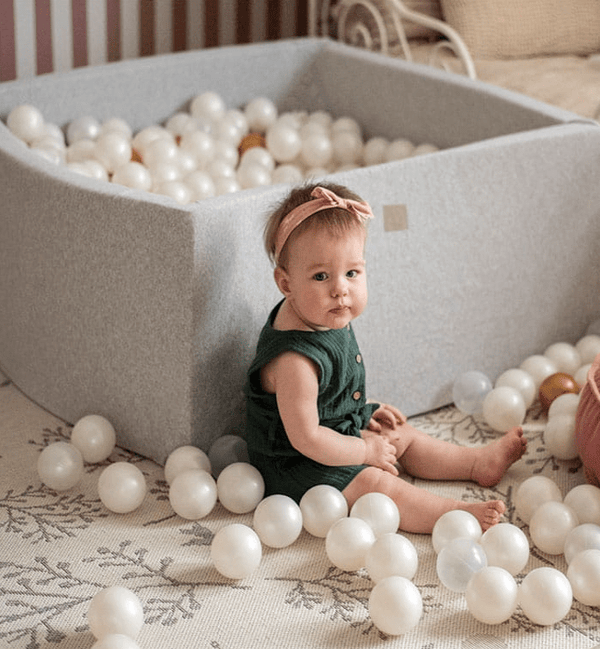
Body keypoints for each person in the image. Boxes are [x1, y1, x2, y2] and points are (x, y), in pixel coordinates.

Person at [244, 181, 527, 534]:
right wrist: (364, 453)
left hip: (336, 430)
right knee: (376, 485)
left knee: (399, 434)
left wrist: (365, 411)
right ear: (286, 284)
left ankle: (476, 463)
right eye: (321, 276)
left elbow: (331, 395)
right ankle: (454, 515)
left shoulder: (324, 311)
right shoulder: (294, 362)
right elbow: (308, 439)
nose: (340, 289)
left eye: (352, 273)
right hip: (297, 465)